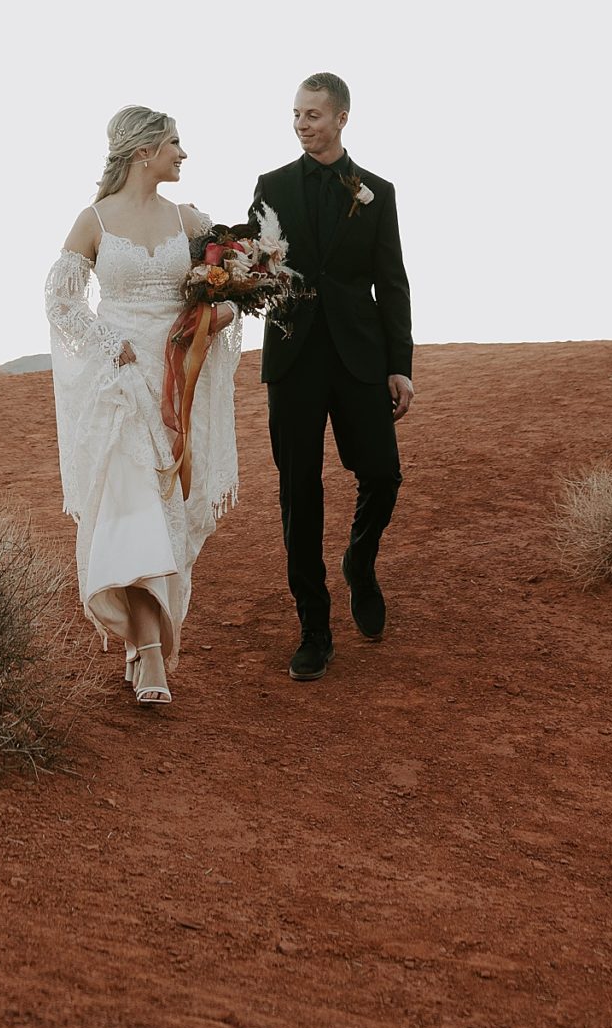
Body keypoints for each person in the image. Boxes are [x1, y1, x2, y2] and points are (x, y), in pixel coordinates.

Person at [45, 106, 240, 705]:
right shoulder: (95, 220)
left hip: (179, 379)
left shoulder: (190, 220)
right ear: (143, 152)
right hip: (122, 384)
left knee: (165, 512)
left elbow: (228, 288)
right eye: (175, 144)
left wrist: (222, 313)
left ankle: (139, 639)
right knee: (132, 510)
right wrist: (109, 345)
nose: (183, 155)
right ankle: (152, 653)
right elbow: (61, 299)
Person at [248, 73, 412, 682]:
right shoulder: (271, 187)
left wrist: (400, 365)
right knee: (300, 491)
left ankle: (360, 563)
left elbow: (391, 281)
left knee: (383, 474)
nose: (301, 124)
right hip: (293, 357)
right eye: (296, 114)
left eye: (312, 114)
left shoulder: (377, 192)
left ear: (341, 117)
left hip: (360, 355)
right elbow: (257, 265)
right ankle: (314, 628)